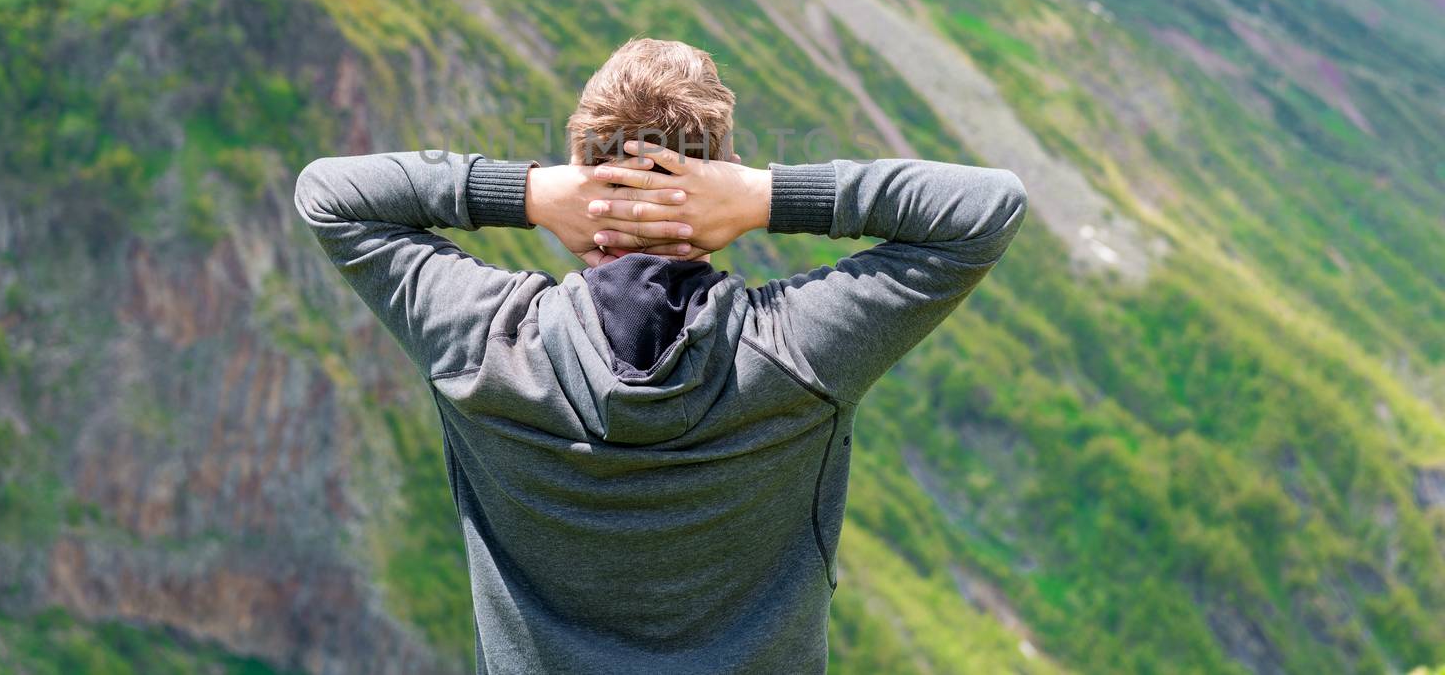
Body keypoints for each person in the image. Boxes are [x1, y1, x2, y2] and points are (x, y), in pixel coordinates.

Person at [294, 37, 1028, 675]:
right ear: (722, 176)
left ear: (580, 168)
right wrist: (768, 196)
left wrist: (530, 193)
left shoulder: (485, 342)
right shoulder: (796, 353)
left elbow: (329, 195)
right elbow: (985, 210)